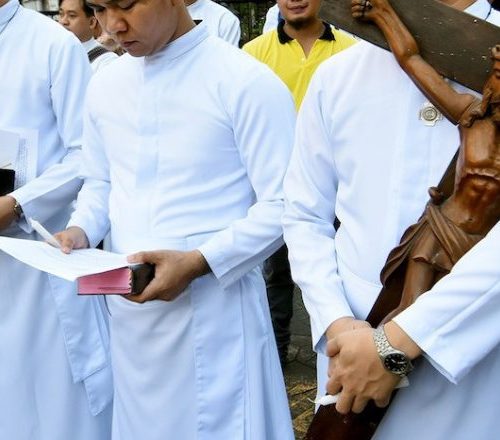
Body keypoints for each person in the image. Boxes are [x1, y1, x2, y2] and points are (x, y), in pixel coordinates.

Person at [55, 0, 296, 437]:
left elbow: (286, 204)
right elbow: (101, 181)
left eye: (127, 5)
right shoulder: (106, 83)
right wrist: (80, 229)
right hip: (130, 316)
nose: (113, 25)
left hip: (216, 314)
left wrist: (200, 261)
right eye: (100, 8)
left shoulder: (245, 81)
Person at [282, 0, 500, 438]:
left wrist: (397, 343)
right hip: (348, 351)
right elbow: (304, 212)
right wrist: (336, 322)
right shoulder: (338, 76)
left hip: (473, 352)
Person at [0, 0, 113, 439]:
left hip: (36, 254)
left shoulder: (52, 45)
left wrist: (19, 203)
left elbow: (86, 153)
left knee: (47, 399)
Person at [243, 0, 355, 366]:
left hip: (337, 186)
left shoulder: (351, 51)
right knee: (277, 279)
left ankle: (343, 356)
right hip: (276, 188)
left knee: (340, 273)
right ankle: (276, 365)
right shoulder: (253, 55)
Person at [58, 0, 118, 71]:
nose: (63, 21)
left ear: (92, 22)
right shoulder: (55, 54)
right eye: (61, 14)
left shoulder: (106, 61)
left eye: (72, 15)